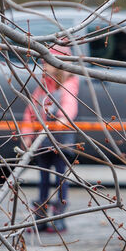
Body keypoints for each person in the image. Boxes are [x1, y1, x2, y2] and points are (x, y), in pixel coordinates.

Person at [24, 47, 79, 234]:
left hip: (61, 142)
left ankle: (58, 216)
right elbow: (31, 111)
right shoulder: (42, 86)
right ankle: (40, 214)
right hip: (43, 141)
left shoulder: (69, 84)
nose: (44, 65)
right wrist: (27, 134)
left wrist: (63, 118)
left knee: (61, 178)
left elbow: (70, 103)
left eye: (47, 62)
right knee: (43, 178)